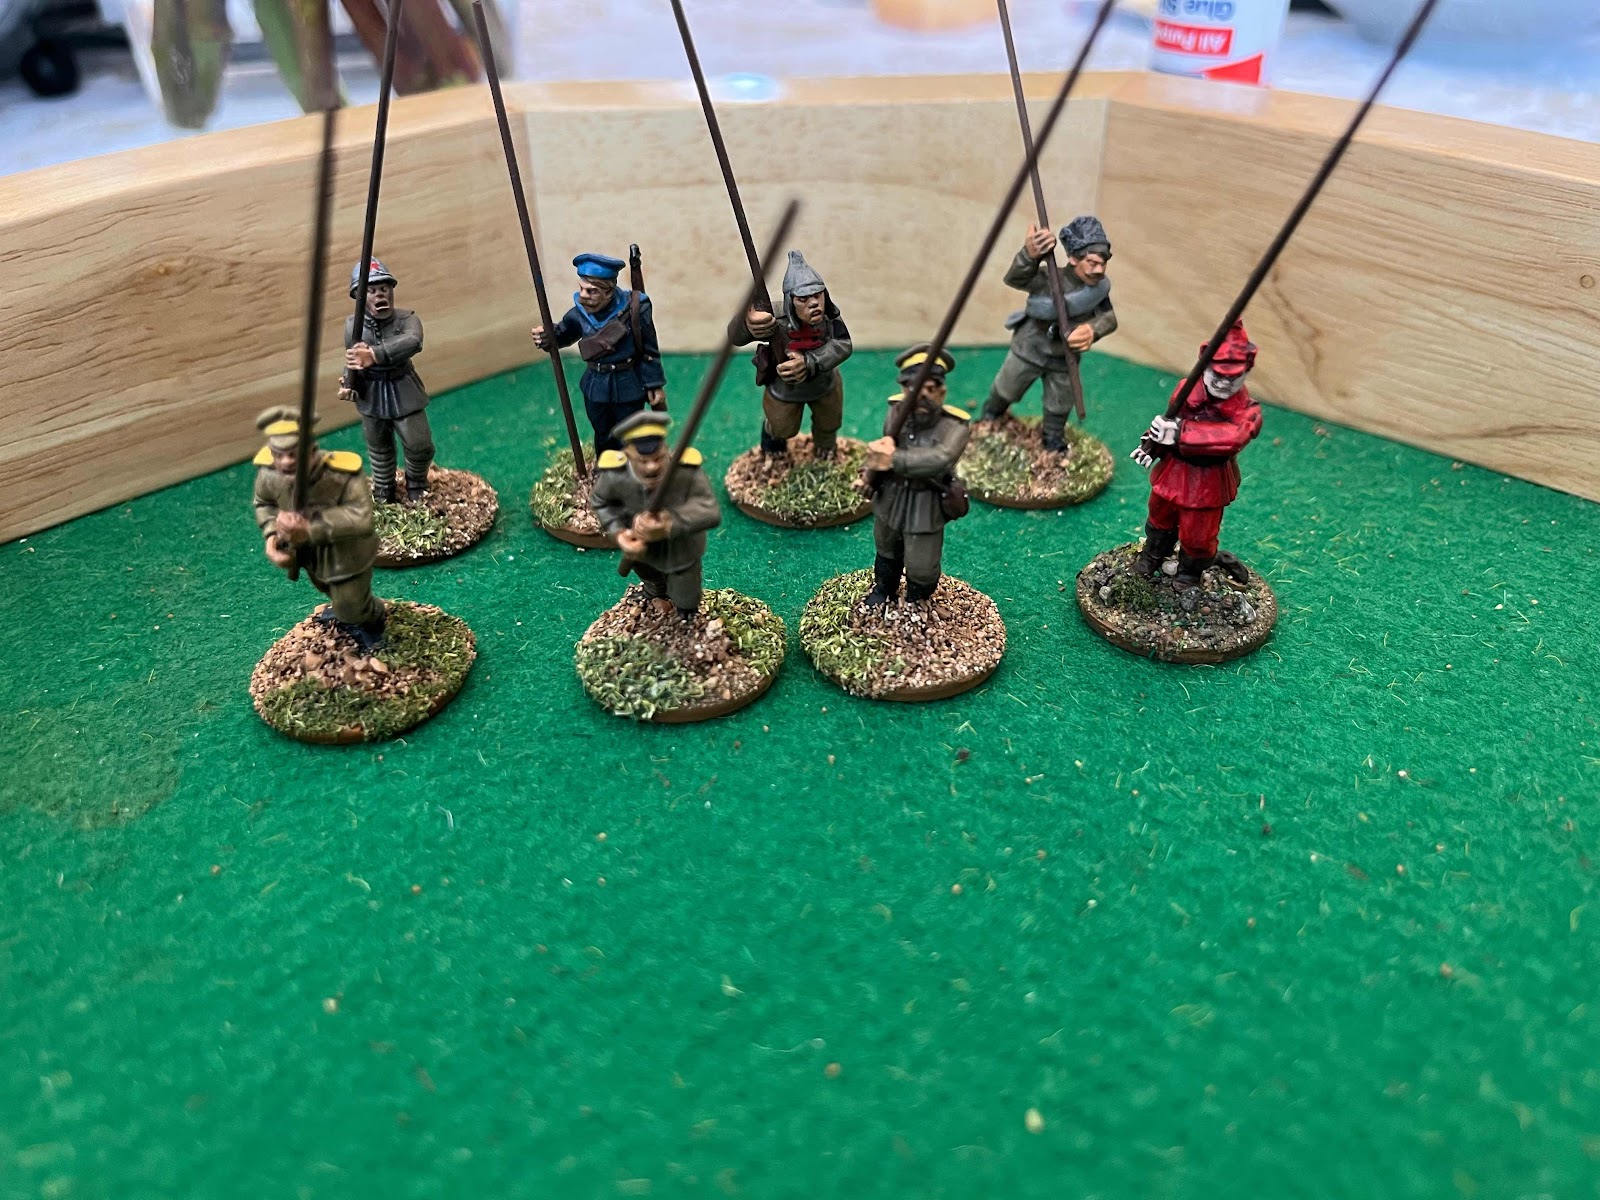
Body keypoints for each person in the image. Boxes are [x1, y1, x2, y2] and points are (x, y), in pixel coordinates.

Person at [1131, 320, 1265, 585]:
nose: (1224, 383)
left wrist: (1180, 433)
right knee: (1159, 516)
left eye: (1233, 377)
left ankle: (1189, 575)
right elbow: (1168, 421)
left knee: (1199, 535)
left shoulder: (1247, 411)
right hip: (1173, 470)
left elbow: (1232, 438)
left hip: (1208, 481)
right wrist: (1152, 444)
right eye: (1218, 374)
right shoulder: (1186, 390)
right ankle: (1152, 556)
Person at [251, 407, 387, 650]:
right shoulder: (269, 474)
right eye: (278, 455)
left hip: (346, 553)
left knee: (350, 602)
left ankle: (372, 619)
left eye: (293, 454)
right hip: (308, 554)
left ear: (312, 451)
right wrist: (272, 533)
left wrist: (311, 528)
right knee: (327, 588)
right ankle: (351, 612)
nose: (285, 462)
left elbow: (362, 517)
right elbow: (264, 504)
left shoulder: (342, 475)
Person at [982, 215, 1117, 451]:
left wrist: (1092, 330)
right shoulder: (1047, 277)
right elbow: (1015, 278)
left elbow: (1108, 318)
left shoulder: (1097, 290)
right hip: (1029, 347)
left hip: (1064, 355)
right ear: (1073, 258)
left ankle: (1053, 436)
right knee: (1007, 386)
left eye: (1102, 264)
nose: (1098, 270)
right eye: (1092, 262)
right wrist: (1029, 255)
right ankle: (991, 415)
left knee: (1060, 401)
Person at [862, 344, 971, 606]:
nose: (922, 395)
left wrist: (894, 460)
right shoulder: (895, 412)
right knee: (886, 549)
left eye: (930, 389)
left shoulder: (955, 426)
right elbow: (884, 445)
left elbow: (941, 459)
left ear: (942, 392)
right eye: (913, 388)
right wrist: (869, 472)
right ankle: (884, 591)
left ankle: (916, 601)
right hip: (891, 496)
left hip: (926, 502)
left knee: (922, 566)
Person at [532, 253, 667, 457]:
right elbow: (563, 335)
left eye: (591, 291)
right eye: (581, 288)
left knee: (630, 432)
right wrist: (547, 336)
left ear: (608, 292)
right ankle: (606, 466)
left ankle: (632, 466)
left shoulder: (634, 309)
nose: (583, 295)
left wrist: (653, 384)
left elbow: (648, 348)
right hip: (596, 384)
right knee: (603, 433)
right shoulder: (579, 314)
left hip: (628, 383)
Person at [590, 412, 721, 617]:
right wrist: (619, 534)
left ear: (666, 449)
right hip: (642, 551)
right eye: (642, 461)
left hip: (681, 549)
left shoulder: (685, 471)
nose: (651, 467)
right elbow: (601, 502)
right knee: (650, 577)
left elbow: (710, 510)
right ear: (628, 454)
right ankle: (655, 592)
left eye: (658, 458)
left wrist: (670, 523)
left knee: (686, 592)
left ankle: (686, 614)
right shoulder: (616, 475)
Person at [733, 250, 853, 459]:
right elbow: (735, 337)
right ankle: (772, 445)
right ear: (790, 301)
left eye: (817, 295)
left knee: (829, 422)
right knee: (782, 427)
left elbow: (843, 344)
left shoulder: (830, 318)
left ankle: (825, 449)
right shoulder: (773, 316)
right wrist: (747, 325)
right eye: (803, 299)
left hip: (824, 383)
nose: (813, 303)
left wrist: (809, 362)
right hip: (785, 388)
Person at [340, 258, 433, 504]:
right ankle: (383, 488)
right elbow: (352, 358)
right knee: (379, 447)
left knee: (419, 444)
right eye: (371, 291)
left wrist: (374, 354)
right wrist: (348, 381)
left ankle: (417, 483)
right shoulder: (353, 326)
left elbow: (413, 341)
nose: (379, 295)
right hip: (371, 391)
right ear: (359, 296)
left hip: (403, 387)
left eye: (384, 288)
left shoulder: (407, 319)